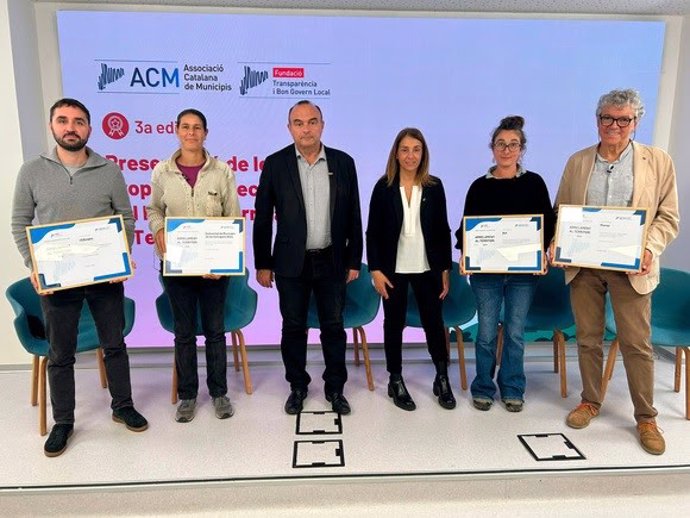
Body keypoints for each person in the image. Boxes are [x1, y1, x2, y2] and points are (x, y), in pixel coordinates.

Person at [11, 98, 148, 457]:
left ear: (89, 128)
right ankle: (64, 422)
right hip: (58, 278)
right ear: (53, 126)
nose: (71, 127)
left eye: (79, 121)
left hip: (104, 277)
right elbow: (20, 222)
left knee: (114, 344)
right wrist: (34, 265)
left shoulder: (109, 171)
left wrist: (122, 257)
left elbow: (126, 218)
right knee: (61, 354)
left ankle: (123, 406)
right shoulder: (31, 171)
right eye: (63, 120)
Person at [553, 89, 679, 455]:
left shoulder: (657, 161)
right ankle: (590, 400)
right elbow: (562, 210)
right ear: (597, 121)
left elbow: (668, 217)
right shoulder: (578, 161)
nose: (615, 126)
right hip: (585, 268)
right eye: (608, 118)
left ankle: (646, 417)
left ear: (636, 123)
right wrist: (558, 243)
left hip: (631, 269)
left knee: (637, 345)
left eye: (623, 119)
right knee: (589, 338)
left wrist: (650, 248)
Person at [253, 100, 363, 415]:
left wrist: (354, 259)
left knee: (333, 326)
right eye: (299, 123)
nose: (306, 128)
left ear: (322, 125)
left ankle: (335, 388)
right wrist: (263, 262)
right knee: (293, 327)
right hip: (290, 262)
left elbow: (354, 214)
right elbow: (263, 217)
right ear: (290, 128)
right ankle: (298, 386)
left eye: (312, 121)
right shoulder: (275, 164)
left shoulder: (343, 162)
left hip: (332, 260)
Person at [456, 116, 555, 413]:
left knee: (514, 332)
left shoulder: (534, 183)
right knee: (485, 333)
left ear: (522, 149)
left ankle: (512, 387)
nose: (507, 149)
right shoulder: (479, 187)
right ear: (492, 148)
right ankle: (483, 387)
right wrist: (465, 254)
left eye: (513, 144)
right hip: (486, 275)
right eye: (501, 144)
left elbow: (546, 225)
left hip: (524, 274)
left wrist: (543, 253)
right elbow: (466, 229)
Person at [148, 109, 241, 423]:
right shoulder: (162, 172)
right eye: (185, 127)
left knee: (215, 332)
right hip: (177, 266)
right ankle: (188, 396)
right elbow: (153, 210)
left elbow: (233, 218)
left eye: (197, 127)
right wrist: (158, 229)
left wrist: (225, 261)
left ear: (205, 132)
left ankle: (219, 393)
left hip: (215, 268)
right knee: (183, 333)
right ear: (176, 131)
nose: (191, 133)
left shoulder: (222, 172)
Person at [366, 128, 455, 411]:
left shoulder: (434, 186)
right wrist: (375, 269)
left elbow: (442, 230)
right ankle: (395, 379)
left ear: (423, 154)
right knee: (393, 325)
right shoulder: (383, 187)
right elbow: (373, 232)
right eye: (405, 149)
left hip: (427, 267)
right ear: (396, 153)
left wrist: (444, 269)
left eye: (416, 149)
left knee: (433, 323)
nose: (410, 155)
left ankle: (441, 377)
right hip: (393, 269)